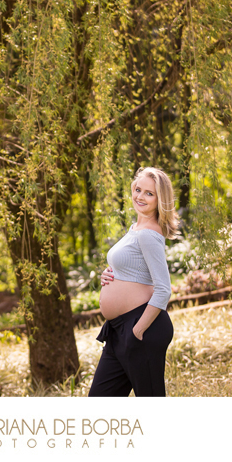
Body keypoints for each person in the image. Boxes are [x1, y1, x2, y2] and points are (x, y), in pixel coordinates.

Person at [88, 166, 179, 397]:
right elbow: (135, 271)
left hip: (141, 328)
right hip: (119, 331)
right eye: (138, 189)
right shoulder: (136, 229)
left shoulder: (149, 234)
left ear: (161, 199)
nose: (140, 196)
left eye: (149, 193)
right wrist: (110, 275)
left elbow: (163, 289)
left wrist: (138, 330)